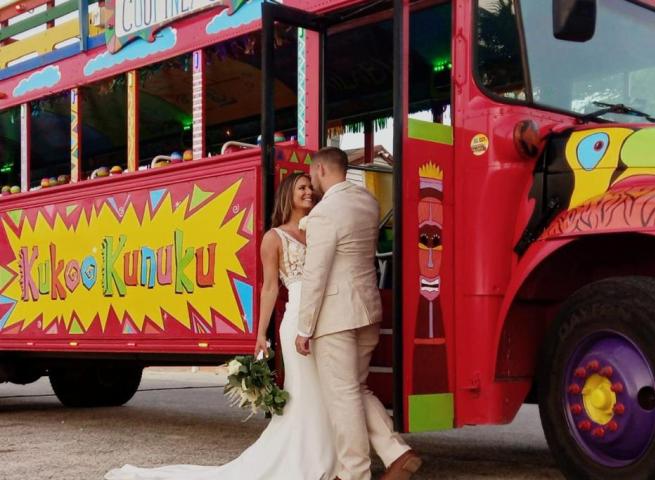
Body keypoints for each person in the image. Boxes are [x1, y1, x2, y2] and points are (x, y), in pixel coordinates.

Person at [104, 172, 337, 480]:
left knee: (326, 390)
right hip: (296, 321)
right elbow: (269, 289)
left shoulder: (318, 230)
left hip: (326, 318)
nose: (309, 192)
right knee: (305, 391)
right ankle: (311, 459)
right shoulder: (273, 237)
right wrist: (260, 335)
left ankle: (331, 456)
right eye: (302, 188)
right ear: (287, 196)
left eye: (311, 187)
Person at [295, 147, 421, 480]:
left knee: (343, 395)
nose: (311, 182)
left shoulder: (326, 212)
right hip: (368, 308)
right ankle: (398, 453)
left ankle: (353, 473)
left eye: (311, 174)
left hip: (336, 316)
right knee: (358, 388)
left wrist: (304, 327)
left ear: (321, 169)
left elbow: (316, 273)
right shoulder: (368, 202)